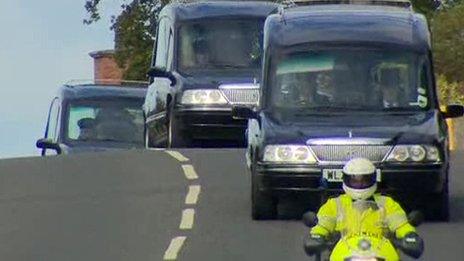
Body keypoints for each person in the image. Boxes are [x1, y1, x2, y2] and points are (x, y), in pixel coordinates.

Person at [306, 158, 424, 259]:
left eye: (364, 180)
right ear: (346, 180)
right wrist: (317, 235)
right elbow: (323, 224)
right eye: (355, 181)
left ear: (373, 179)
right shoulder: (334, 204)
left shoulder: (387, 203)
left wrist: (409, 235)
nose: (360, 185)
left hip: (381, 254)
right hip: (344, 254)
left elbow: (400, 223)